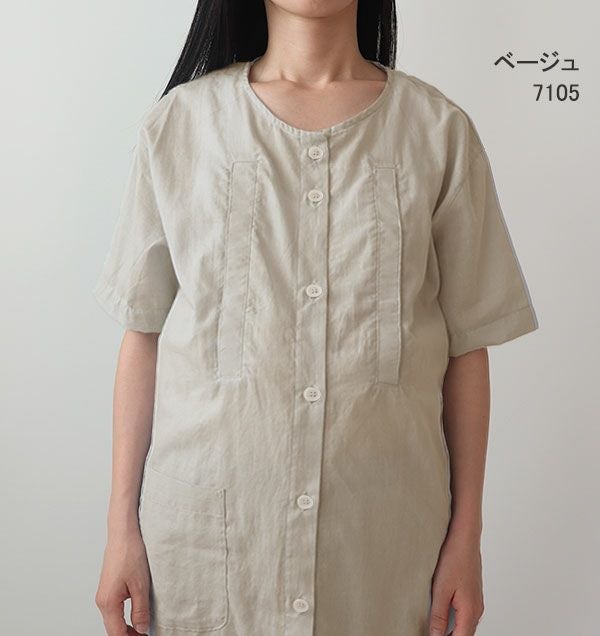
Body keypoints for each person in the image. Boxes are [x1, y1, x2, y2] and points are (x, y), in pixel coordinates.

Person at [93, 1, 539, 635]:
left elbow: (467, 349)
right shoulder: (181, 125)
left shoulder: (438, 132)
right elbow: (144, 336)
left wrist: (468, 537)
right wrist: (120, 531)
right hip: (204, 552)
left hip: (381, 552)